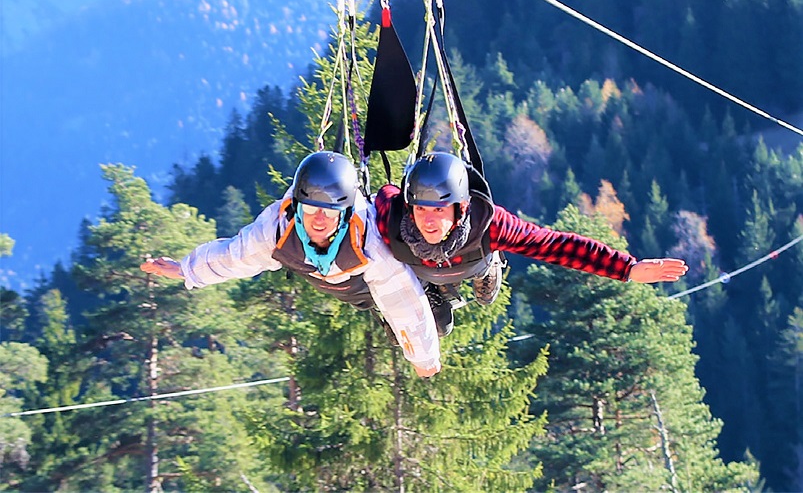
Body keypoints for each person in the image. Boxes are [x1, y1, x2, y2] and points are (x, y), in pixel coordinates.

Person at [141, 151, 441, 378]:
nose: (318, 220)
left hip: (361, 282)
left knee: (408, 302)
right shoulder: (277, 229)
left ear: (346, 212)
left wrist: (425, 359)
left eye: (329, 211)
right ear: (298, 206)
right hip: (327, 279)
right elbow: (235, 256)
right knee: (363, 298)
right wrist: (186, 268)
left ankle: (439, 288)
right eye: (310, 209)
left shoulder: (369, 243)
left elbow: (402, 302)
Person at [373, 152, 689, 336]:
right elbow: (373, 205)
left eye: (439, 210)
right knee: (431, 328)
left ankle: (489, 267)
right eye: (421, 210)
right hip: (424, 270)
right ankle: (435, 290)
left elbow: (557, 246)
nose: (428, 221)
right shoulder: (391, 221)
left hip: (472, 256)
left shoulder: (490, 225)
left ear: (462, 207)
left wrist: (628, 268)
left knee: (477, 266)